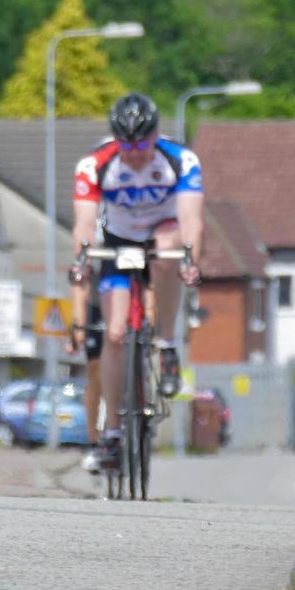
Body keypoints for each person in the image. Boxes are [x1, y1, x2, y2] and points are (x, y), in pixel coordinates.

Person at [68, 93, 203, 471]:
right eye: (126, 145)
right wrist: (81, 258)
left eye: (143, 143)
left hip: (163, 231)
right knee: (113, 336)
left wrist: (191, 258)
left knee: (167, 251)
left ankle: (167, 341)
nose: (135, 153)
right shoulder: (94, 165)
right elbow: (83, 223)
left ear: (156, 135)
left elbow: (192, 219)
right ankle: (112, 431)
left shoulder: (180, 160)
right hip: (119, 240)